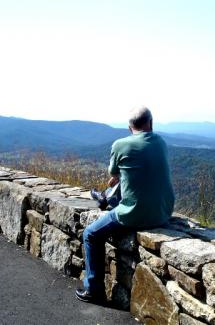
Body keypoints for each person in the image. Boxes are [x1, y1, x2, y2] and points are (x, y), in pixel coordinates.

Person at [75, 106, 175, 303]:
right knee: (128, 180)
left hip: (134, 214)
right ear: (151, 123)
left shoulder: (120, 144)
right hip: (164, 212)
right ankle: (106, 198)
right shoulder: (161, 142)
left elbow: (113, 173)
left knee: (91, 234)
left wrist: (119, 176)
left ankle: (93, 289)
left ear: (130, 127)